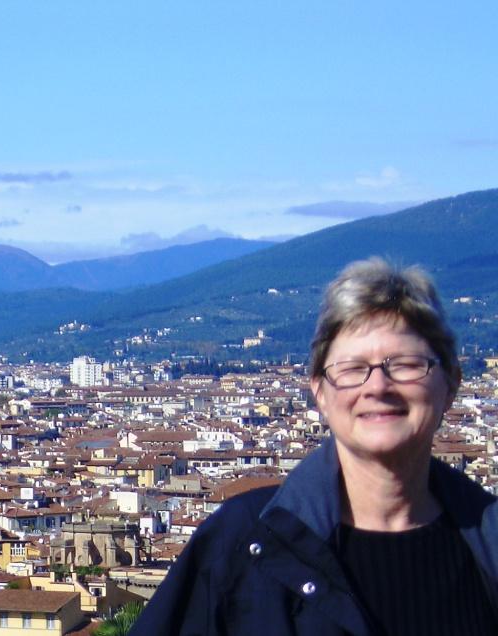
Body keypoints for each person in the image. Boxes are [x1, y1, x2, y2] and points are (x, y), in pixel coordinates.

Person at [129, 258, 498, 635]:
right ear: (319, 392)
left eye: (404, 364)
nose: (378, 386)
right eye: (353, 368)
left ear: (451, 383)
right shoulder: (239, 544)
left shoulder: (490, 546)